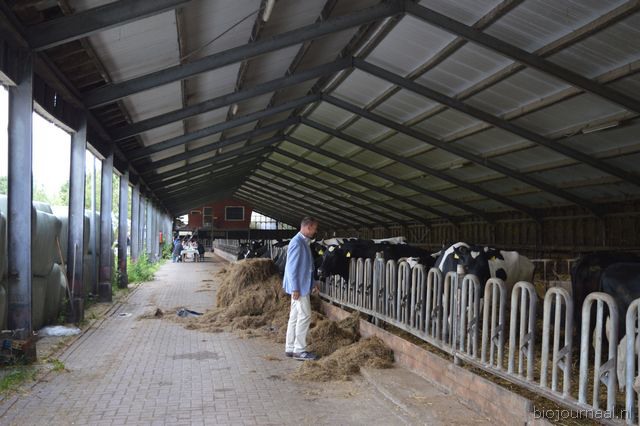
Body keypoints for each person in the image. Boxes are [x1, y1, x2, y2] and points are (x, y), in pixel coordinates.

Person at [283, 217, 320, 361]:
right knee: (305, 315)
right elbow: (292, 268)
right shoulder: (297, 242)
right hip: (299, 287)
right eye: (314, 228)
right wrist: (295, 288)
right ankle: (299, 350)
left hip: (301, 285)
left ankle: (290, 347)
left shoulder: (302, 242)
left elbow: (307, 265)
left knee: (295, 316)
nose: (315, 231)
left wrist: (313, 282)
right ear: (308, 227)